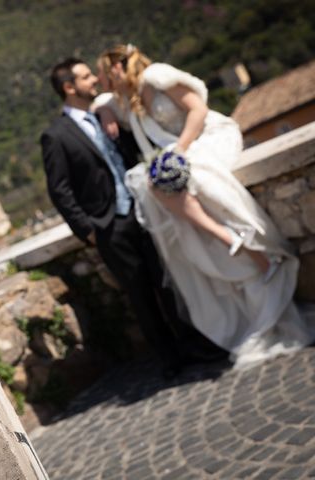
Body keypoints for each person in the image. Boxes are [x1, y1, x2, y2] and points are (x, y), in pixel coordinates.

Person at [95, 44, 314, 367]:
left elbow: (197, 110)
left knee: (171, 181)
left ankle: (238, 241)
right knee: (156, 185)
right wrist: (104, 108)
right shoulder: (128, 100)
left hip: (210, 136)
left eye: (104, 75)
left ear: (117, 67)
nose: (104, 84)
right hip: (185, 150)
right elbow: (102, 101)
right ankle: (232, 241)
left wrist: (179, 151)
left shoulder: (157, 76)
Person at [40, 57, 216, 378]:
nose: (94, 79)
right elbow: (60, 190)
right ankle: (170, 359)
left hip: (141, 209)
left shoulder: (103, 114)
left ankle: (194, 344)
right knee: (140, 294)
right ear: (68, 87)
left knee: (166, 280)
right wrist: (89, 231)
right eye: (85, 77)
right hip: (108, 226)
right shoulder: (56, 136)